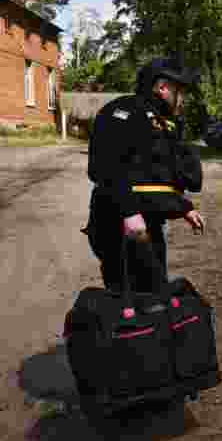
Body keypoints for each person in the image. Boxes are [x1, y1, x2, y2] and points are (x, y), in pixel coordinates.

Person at [83, 57, 206, 293]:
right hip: (119, 224)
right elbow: (105, 167)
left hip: (147, 224)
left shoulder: (162, 122)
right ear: (162, 88)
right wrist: (128, 212)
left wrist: (183, 207)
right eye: (180, 91)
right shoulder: (123, 111)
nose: (183, 99)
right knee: (131, 300)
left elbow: (155, 176)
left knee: (154, 295)